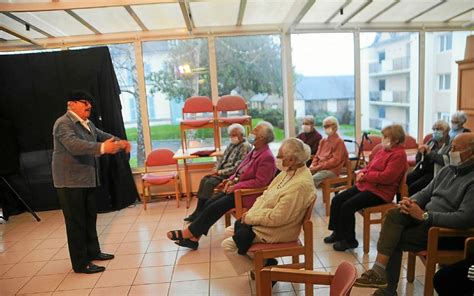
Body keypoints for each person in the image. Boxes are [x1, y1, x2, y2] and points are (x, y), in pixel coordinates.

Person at [354, 133, 474, 296]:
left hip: (444, 231)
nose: (450, 152)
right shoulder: (447, 170)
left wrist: (425, 216)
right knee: (393, 214)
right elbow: (425, 193)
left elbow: (464, 219)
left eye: (455, 149)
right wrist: (410, 202)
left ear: (472, 153)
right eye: (451, 147)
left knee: (392, 239)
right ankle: (379, 272)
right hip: (427, 220)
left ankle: (386, 288)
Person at [52, 90, 131, 274]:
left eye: (90, 103)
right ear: (71, 104)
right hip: (69, 182)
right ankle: (80, 263)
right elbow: (74, 145)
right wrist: (104, 148)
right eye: (84, 102)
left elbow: (102, 135)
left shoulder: (87, 123)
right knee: (76, 223)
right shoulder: (63, 123)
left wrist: (120, 142)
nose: (89, 106)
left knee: (89, 218)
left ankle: (93, 252)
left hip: (86, 180)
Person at [166, 121, 277, 250]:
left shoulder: (266, 157)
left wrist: (236, 186)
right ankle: (194, 238)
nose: (251, 133)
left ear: (262, 138)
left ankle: (188, 233)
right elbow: (239, 170)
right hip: (237, 189)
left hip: (247, 194)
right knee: (210, 203)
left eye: (255, 131)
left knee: (216, 207)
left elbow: (261, 182)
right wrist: (230, 180)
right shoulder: (254, 151)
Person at [221, 138, 316, 275]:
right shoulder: (287, 172)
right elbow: (265, 196)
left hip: (281, 230)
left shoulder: (300, 185)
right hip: (269, 223)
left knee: (228, 245)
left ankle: (263, 273)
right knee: (228, 232)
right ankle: (265, 264)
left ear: (292, 160)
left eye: (280, 156)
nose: (276, 158)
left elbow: (278, 218)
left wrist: (250, 218)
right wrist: (251, 214)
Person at [324, 124, 408, 252]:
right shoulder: (383, 150)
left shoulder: (399, 155)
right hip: (368, 186)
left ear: (396, 139)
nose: (382, 139)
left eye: (385, 137)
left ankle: (350, 241)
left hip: (381, 192)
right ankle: (338, 233)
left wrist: (366, 176)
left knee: (347, 206)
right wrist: (362, 172)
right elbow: (370, 166)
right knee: (337, 200)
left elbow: (387, 177)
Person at [184, 123, 251, 222]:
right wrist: (215, 170)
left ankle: (201, 212)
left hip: (229, 175)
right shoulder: (231, 144)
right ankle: (198, 211)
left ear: (241, 135)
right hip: (220, 172)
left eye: (234, 135)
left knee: (209, 183)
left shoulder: (244, 147)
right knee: (204, 179)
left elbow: (237, 167)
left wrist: (219, 172)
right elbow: (221, 159)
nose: (232, 137)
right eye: (231, 135)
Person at [407, 120, 450, 196]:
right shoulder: (431, 141)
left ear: (446, 131)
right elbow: (419, 158)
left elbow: (447, 161)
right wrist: (420, 153)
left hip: (436, 172)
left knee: (414, 187)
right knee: (407, 179)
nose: (436, 131)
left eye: (439, 129)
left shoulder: (450, 144)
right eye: (434, 129)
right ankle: (402, 202)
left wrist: (430, 153)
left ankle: (413, 204)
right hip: (424, 168)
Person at [309, 116, 348, 187]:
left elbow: (335, 161)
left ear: (335, 127)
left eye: (328, 126)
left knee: (310, 181)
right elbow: (316, 156)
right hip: (320, 168)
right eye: (324, 126)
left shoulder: (339, 142)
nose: (326, 128)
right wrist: (313, 165)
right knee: (302, 178)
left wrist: (317, 167)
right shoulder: (323, 141)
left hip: (331, 171)